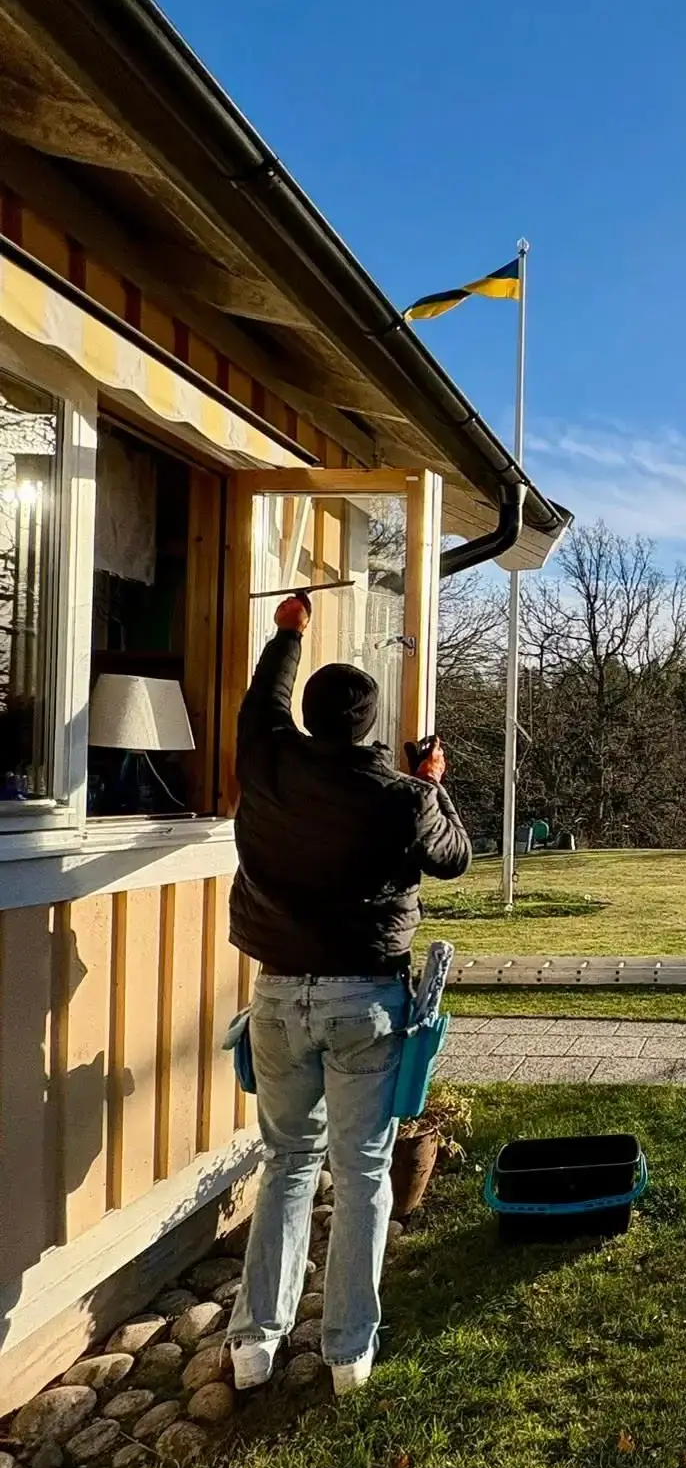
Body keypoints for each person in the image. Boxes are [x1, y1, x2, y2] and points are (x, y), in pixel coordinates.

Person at [226, 590, 471, 1396]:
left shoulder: (265, 759)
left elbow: (263, 698)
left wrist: (287, 633)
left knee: (287, 1164)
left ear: (307, 716)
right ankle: (348, 1353)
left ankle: (254, 1344)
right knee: (362, 1172)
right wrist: (433, 782)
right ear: (367, 728)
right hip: (365, 1002)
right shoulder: (402, 799)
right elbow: (453, 859)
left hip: (276, 999)